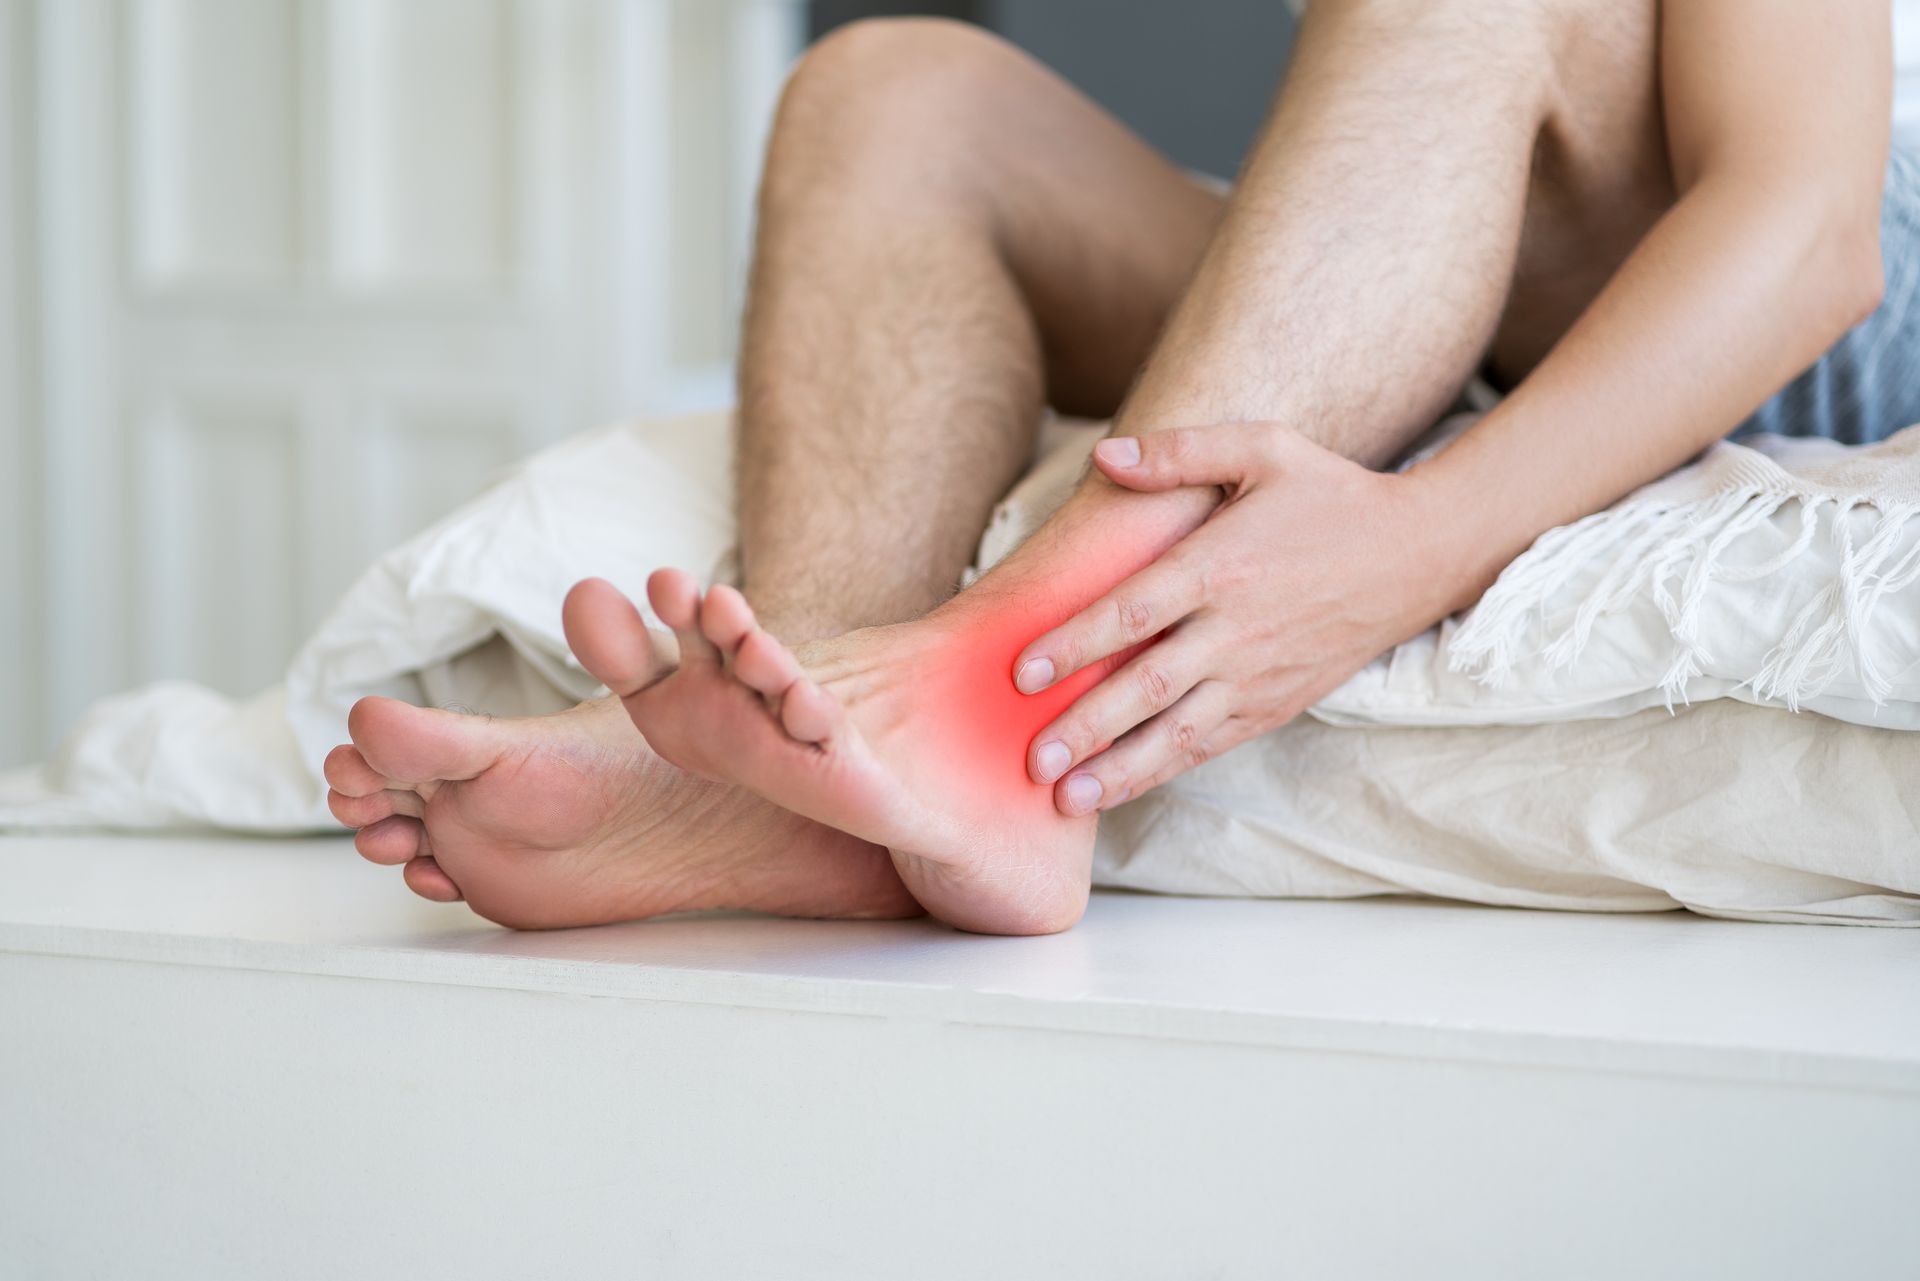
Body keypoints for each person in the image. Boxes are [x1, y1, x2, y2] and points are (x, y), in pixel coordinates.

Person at [324, 0, 1911, 934]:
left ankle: (989, 701)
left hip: (1816, 289)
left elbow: (1810, 224)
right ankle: (811, 763)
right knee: (892, 93)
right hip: (1503, 258)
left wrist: (1422, 540)